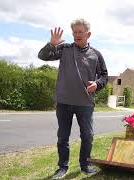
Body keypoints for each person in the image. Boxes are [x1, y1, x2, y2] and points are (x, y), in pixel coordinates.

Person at [38, 18, 108, 179]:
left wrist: (97, 84)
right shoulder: (64, 49)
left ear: (88, 34)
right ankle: (62, 168)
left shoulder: (96, 54)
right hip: (64, 102)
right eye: (74, 32)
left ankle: (85, 165)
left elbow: (104, 76)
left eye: (80, 32)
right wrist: (51, 44)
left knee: (88, 136)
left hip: (85, 104)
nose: (76, 35)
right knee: (63, 137)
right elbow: (42, 56)